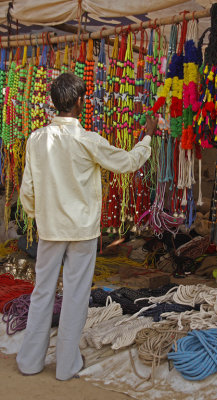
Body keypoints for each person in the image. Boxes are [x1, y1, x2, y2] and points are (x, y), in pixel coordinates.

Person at [16, 72, 157, 380]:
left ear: (55, 103)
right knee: (76, 296)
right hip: (81, 232)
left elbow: (28, 189)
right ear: (80, 102)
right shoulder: (87, 140)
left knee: (42, 293)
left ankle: (29, 362)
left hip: (51, 230)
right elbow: (127, 163)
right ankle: (66, 366)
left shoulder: (37, 139)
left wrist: (38, 216)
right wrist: (147, 137)